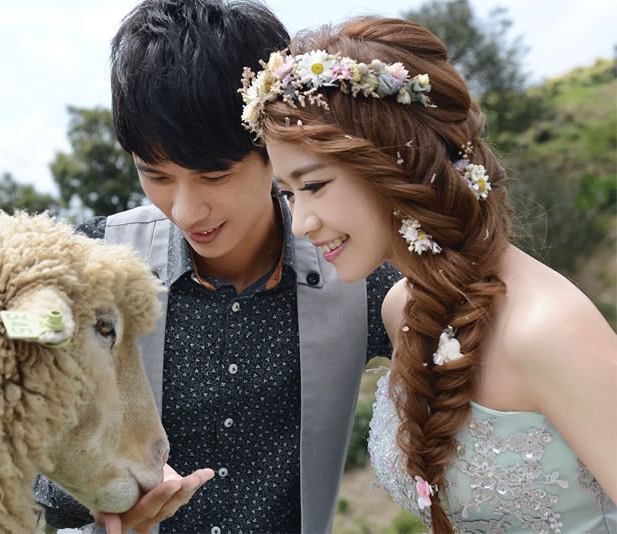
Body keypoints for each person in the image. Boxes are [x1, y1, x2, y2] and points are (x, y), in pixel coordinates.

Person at [239, 15, 617, 532]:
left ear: (398, 162)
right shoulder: (402, 310)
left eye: (316, 185)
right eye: (287, 193)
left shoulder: (549, 329)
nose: (301, 223)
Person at [33, 1, 401, 533]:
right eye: (156, 175)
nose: (186, 211)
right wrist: (100, 488)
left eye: (213, 176)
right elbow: (24, 459)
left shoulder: (355, 272)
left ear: (274, 145)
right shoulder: (88, 264)